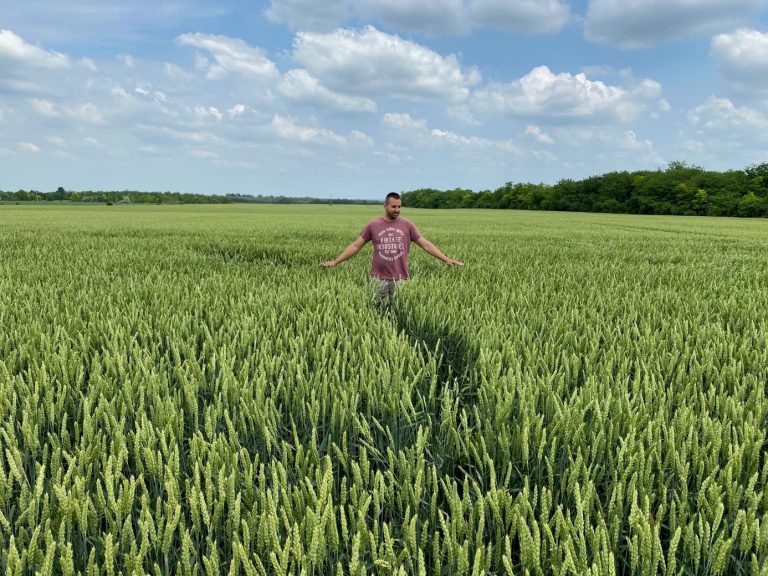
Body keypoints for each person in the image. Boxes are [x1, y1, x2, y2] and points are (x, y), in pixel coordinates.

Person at [320, 192, 463, 309]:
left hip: (401, 280)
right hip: (378, 279)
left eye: (399, 207)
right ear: (385, 206)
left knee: (401, 312)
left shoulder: (407, 225)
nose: (397, 210)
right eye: (394, 207)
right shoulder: (373, 225)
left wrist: (446, 259)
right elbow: (356, 246)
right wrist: (335, 262)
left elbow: (425, 244)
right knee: (377, 313)